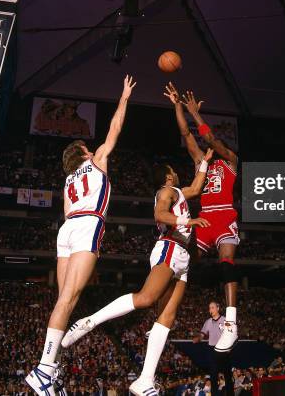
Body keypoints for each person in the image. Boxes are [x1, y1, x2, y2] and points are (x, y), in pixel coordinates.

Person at [62, 147, 214, 396]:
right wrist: (189, 221)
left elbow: (197, 188)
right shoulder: (166, 192)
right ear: (167, 177)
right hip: (169, 248)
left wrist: (205, 164)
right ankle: (88, 322)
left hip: (183, 256)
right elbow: (160, 214)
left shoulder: (179, 192)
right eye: (173, 172)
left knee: (167, 318)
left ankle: (144, 380)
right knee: (146, 298)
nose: (176, 174)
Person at [26, 75, 136, 396]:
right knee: (68, 301)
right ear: (85, 152)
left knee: (64, 302)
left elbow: (64, 213)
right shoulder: (98, 160)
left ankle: (50, 368)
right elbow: (115, 129)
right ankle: (44, 370)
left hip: (67, 228)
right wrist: (125, 97)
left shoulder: (67, 181)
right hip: (88, 224)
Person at [164, 83, 240, 352]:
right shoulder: (201, 163)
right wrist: (177, 106)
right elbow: (186, 134)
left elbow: (212, 141)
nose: (211, 148)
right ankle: (163, 316)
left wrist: (195, 113)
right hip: (205, 219)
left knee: (226, 262)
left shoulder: (231, 160)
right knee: (179, 261)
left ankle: (231, 323)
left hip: (224, 217)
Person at [195, 301, 233, 396]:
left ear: (218, 308)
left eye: (212, 307)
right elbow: (202, 334)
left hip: (223, 349)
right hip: (212, 350)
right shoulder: (208, 322)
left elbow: (231, 334)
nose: (210, 310)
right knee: (213, 375)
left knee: (227, 375)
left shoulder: (225, 320)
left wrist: (229, 347)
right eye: (209, 308)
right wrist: (199, 338)